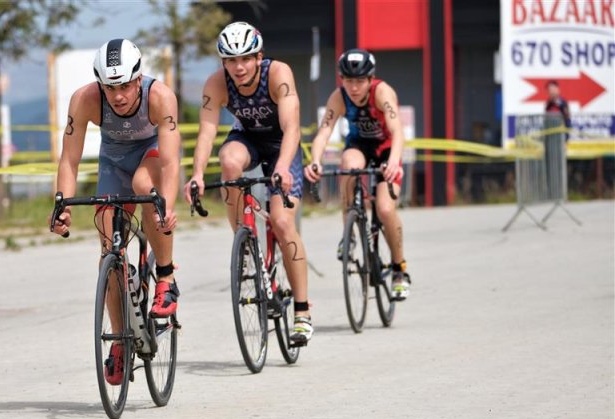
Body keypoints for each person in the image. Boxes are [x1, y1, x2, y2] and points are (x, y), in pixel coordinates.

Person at [50, 39, 181, 384]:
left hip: (150, 156)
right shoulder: (85, 99)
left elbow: (169, 162)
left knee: (145, 188)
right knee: (108, 251)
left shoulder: (160, 97)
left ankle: (165, 278)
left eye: (124, 85)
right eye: (110, 87)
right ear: (100, 85)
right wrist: (61, 204)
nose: (118, 95)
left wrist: (165, 204)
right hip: (112, 160)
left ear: (138, 79)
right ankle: (119, 343)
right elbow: (69, 159)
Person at [183, 21, 313, 344]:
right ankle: (243, 239)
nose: (238, 67)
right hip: (248, 139)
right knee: (228, 161)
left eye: (245, 59)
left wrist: (282, 167)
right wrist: (197, 173)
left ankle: (302, 311)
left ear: (259, 57)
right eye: (230, 60)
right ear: (223, 62)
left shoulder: (278, 74)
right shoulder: (217, 83)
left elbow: (292, 128)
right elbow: (207, 132)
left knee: (283, 223)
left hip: (283, 145)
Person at [304, 49, 411, 300]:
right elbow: (323, 133)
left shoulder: (382, 92)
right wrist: (316, 161)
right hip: (359, 146)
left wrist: (394, 161)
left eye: (360, 81)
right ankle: (349, 233)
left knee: (385, 209)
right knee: (348, 166)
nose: (354, 87)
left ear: (370, 79)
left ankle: (399, 268)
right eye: (348, 81)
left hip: (386, 149)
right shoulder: (339, 97)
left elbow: (397, 130)